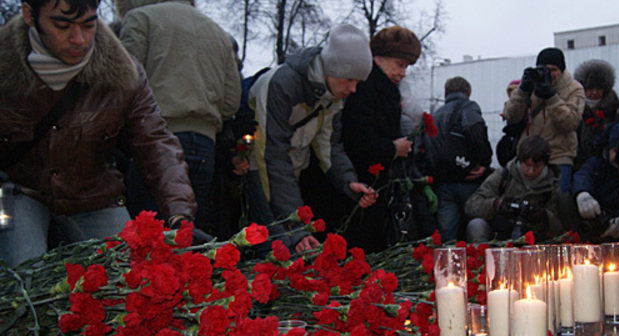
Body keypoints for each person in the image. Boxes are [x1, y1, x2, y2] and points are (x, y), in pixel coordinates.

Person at [0, 0, 196, 266]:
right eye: (62, 25)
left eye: (89, 24)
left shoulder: (125, 72)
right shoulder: (4, 64)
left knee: (128, 273)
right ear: (29, 14)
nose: (79, 39)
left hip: (93, 193)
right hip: (15, 192)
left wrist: (179, 211)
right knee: (20, 278)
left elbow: (154, 141)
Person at [246, 24, 377, 256]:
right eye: (350, 80)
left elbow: (329, 146)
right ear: (334, 69)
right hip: (259, 171)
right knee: (271, 249)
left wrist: (348, 181)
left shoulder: (332, 97)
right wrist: (294, 226)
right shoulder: (281, 84)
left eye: (359, 82)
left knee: (287, 252)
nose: (354, 89)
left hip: (289, 177)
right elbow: (271, 155)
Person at [115, 0, 241, 238]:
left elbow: (124, 81)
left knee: (146, 235)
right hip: (205, 143)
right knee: (188, 236)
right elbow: (231, 101)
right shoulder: (217, 32)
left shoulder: (141, 18)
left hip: (154, 138)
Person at [339, 25, 435, 252]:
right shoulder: (365, 89)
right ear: (379, 59)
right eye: (400, 65)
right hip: (362, 184)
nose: (403, 72)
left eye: (406, 67)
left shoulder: (383, 88)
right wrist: (393, 148)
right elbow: (356, 139)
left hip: (374, 184)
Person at [503, 47, 585, 194]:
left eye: (553, 69)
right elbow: (511, 116)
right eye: (543, 69)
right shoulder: (530, 85)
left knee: (559, 201)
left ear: (562, 70)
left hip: (558, 155)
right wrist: (521, 92)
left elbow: (570, 123)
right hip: (528, 156)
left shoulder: (574, 89)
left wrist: (552, 98)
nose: (549, 74)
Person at [426, 76, 493, 242]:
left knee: (447, 235)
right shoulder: (469, 108)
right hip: (469, 180)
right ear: (468, 92)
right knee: (474, 229)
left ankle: (448, 265)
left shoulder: (435, 115)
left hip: (443, 185)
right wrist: (484, 163)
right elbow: (477, 134)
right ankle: (475, 265)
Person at [465, 136, 562, 242]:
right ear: (520, 160)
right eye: (527, 165)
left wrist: (542, 217)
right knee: (476, 225)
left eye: (537, 166)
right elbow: (471, 206)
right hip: (500, 231)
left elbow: (558, 227)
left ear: (545, 164)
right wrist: (497, 204)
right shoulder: (503, 176)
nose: (531, 171)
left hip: (533, 236)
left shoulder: (552, 185)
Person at [569, 122, 619, 242]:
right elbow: (583, 176)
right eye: (614, 150)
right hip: (602, 220)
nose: (616, 156)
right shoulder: (597, 164)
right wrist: (582, 194)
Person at [572, 59, 619, 170]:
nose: (594, 92)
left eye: (598, 89)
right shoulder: (575, 104)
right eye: (590, 88)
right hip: (580, 160)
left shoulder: (613, 104)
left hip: (606, 159)